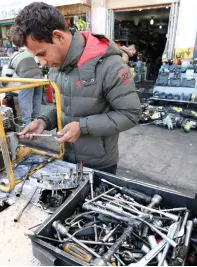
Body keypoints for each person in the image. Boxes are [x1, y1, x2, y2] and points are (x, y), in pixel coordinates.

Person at [10, 2, 141, 174]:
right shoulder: (57, 67)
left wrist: (82, 126)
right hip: (66, 156)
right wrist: (44, 121)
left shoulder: (109, 65)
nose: (42, 62)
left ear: (58, 37)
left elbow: (131, 114)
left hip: (99, 164)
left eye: (42, 53)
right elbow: (64, 107)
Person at [2, 47, 43, 124]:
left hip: (28, 78)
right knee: (36, 98)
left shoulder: (12, 60)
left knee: (24, 98)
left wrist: (2, 85)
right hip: (40, 77)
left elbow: (8, 76)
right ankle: (36, 119)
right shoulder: (28, 53)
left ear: (10, 54)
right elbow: (38, 64)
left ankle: (26, 122)